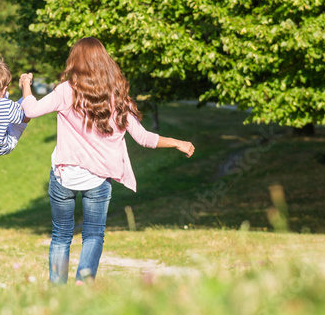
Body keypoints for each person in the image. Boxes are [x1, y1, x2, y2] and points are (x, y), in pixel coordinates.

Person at [20, 37, 195, 285]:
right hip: (98, 179)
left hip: (64, 176)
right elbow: (144, 138)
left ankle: (57, 291)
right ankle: (83, 283)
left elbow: (30, 110)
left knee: (61, 236)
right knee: (93, 236)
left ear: (75, 61)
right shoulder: (117, 96)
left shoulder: (65, 91)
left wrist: (26, 85)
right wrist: (178, 142)